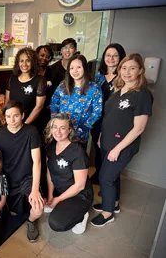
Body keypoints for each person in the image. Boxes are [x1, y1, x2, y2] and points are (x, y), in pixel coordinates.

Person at [91, 54, 153, 227]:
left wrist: (117, 149)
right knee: (112, 175)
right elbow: (110, 117)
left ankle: (107, 212)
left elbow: (139, 128)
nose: (127, 72)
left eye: (132, 68)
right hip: (107, 142)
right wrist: (102, 135)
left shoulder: (142, 95)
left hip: (122, 146)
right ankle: (114, 203)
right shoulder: (119, 90)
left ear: (140, 70)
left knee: (105, 177)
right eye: (124, 68)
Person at [0, 101, 44, 243]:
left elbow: (37, 162)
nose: (12, 120)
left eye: (16, 116)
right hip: (8, 177)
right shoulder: (0, 133)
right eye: (8, 116)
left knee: (38, 207)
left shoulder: (31, 131)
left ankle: (31, 221)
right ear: (4, 118)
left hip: (27, 177)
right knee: (10, 212)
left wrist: (35, 189)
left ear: (22, 115)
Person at [44, 113, 93, 234]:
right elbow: (50, 173)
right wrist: (50, 195)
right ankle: (62, 204)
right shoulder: (50, 147)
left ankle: (82, 216)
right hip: (61, 190)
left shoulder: (77, 152)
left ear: (70, 130)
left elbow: (79, 186)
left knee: (56, 223)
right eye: (55, 127)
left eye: (62, 128)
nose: (58, 131)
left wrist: (58, 200)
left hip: (79, 195)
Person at [90, 43, 126, 184]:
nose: (111, 58)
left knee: (109, 149)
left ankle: (107, 179)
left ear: (121, 58)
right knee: (97, 147)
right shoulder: (98, 76)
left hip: (113, 120)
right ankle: (99, 174)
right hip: (97, 119)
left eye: (115, 55)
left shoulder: (122, 77)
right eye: (108, 55)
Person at [50, 54, 103, 145]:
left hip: (80, 135)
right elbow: (54, 105)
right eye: (71, 68)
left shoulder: (94, 88)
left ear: (85, 69)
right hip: (61, 133)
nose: (75, 71)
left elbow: (97, 111)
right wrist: (56, 125)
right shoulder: (63, 86)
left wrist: (85, 126)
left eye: (78, 67)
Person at [5, 47, 46, 132]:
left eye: (28, 61)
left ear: (33, 62)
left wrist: (25, 124)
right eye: (21, 61)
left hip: (30, 125)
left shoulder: (40, 80)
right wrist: (8, 121)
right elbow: (7, 101)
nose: (24, 64)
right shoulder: (12, 78)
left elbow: (39, 107)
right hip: (13, 123)